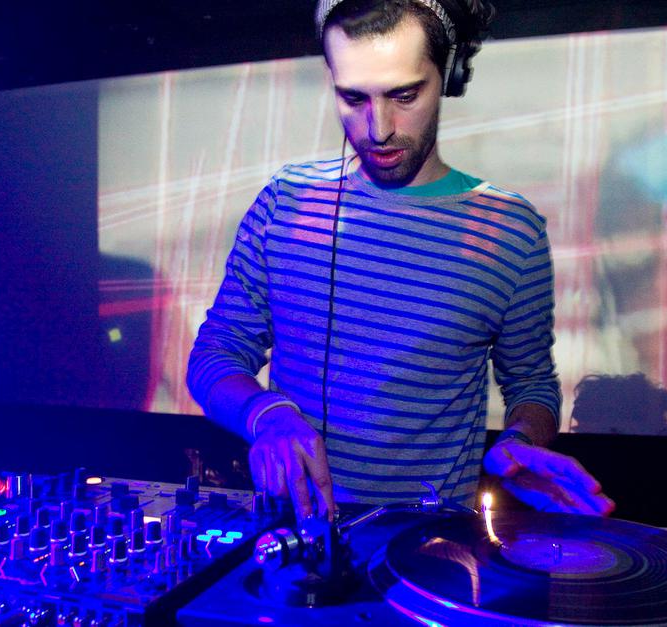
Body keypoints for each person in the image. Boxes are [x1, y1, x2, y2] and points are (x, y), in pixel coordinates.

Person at [187, 0, 614, 520]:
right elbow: (216, 354)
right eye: (353, 98)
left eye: (404, 95)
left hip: (432, 548)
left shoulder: (510, 229)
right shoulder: (286, 201)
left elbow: (532, 384)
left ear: (449, 74)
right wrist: (265, 416)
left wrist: (522, 441)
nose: (378, 128)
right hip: (298, 538)